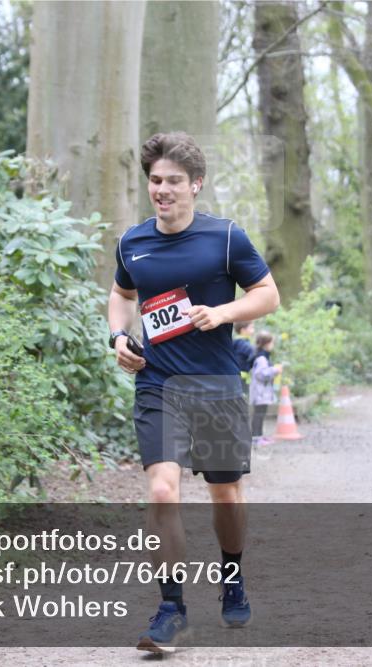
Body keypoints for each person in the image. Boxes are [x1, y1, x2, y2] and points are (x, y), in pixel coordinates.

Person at [107, 132, 280, 652]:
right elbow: (121, 293)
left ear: (196, 184)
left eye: (174, 182)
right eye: (155, 181)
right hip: (158, 384)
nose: (163, 190)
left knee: (224, 494)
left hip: (217, 384)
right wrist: (117, 336)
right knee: (162, 490)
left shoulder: (226, 238)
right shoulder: (132, 242)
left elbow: (268, 294)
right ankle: (171, 609)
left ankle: (232, 576)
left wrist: (222, 312)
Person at [249, 330, 283, 446]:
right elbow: (261, 374)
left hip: (262, 393)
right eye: (272, 343)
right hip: (260, 393)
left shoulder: (262, 357)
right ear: (266, 343)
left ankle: (260, 437)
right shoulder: (261, 359)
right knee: (258, 416)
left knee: (261, 415)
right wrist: (275, 370)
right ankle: (255, 438)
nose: (273, 346)